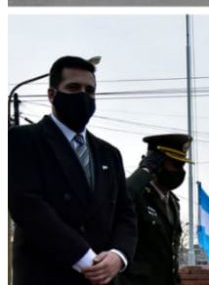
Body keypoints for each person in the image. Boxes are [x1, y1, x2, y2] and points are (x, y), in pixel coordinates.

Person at [9, 56, 137, 285]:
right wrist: (86, 259)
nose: (82, 96)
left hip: (104, 279)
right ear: (52, 94)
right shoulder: (21, 140)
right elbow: (27, 206)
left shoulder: (109, 153)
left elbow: (125, 214)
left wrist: (119, 255)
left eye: (90, 90)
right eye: (73, 87)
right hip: (48, 276)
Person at [115, 135, 192, 285]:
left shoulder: (173, 203)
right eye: (175, 164)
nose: (180, 171)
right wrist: (144, 170)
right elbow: (121, 200)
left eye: (183, 165)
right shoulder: (138, 193)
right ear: (157, 164)